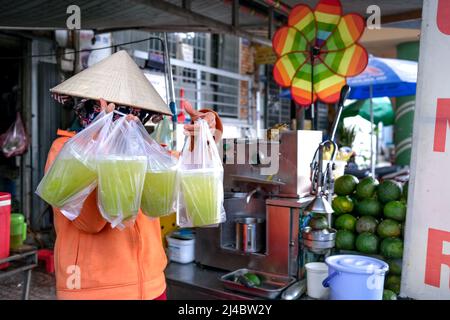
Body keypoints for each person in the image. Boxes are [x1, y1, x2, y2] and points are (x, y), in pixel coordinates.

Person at [46, 95, 222, 300]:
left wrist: (203, 133)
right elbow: (89, 222)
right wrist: (105, 145)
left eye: (132, 110)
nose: (127, 117)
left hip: (152, 287)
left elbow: (189, 169)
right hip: (92, 290)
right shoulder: (66, 151)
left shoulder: (148, 153)